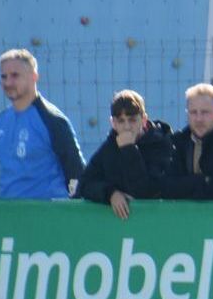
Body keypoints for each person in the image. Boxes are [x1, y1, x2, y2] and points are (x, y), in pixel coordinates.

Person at [0, 48, 85, 199]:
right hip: (8, 215)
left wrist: (72, 210)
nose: (8, 82)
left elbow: (76, 171)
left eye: (15, 75)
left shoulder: (52, 119)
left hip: (45, 216)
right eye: (4, 76)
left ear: (34, 76)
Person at [75, 89, 176, 220]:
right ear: (113, 123)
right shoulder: (109, 148)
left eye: (132, 120)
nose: (127, 126)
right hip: (121, 227)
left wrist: (128, 149)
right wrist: (110, 193)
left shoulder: (162, 145)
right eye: (121, 121)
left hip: (157, 222)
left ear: (144, 119)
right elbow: (84, 184)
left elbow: (146, 192)